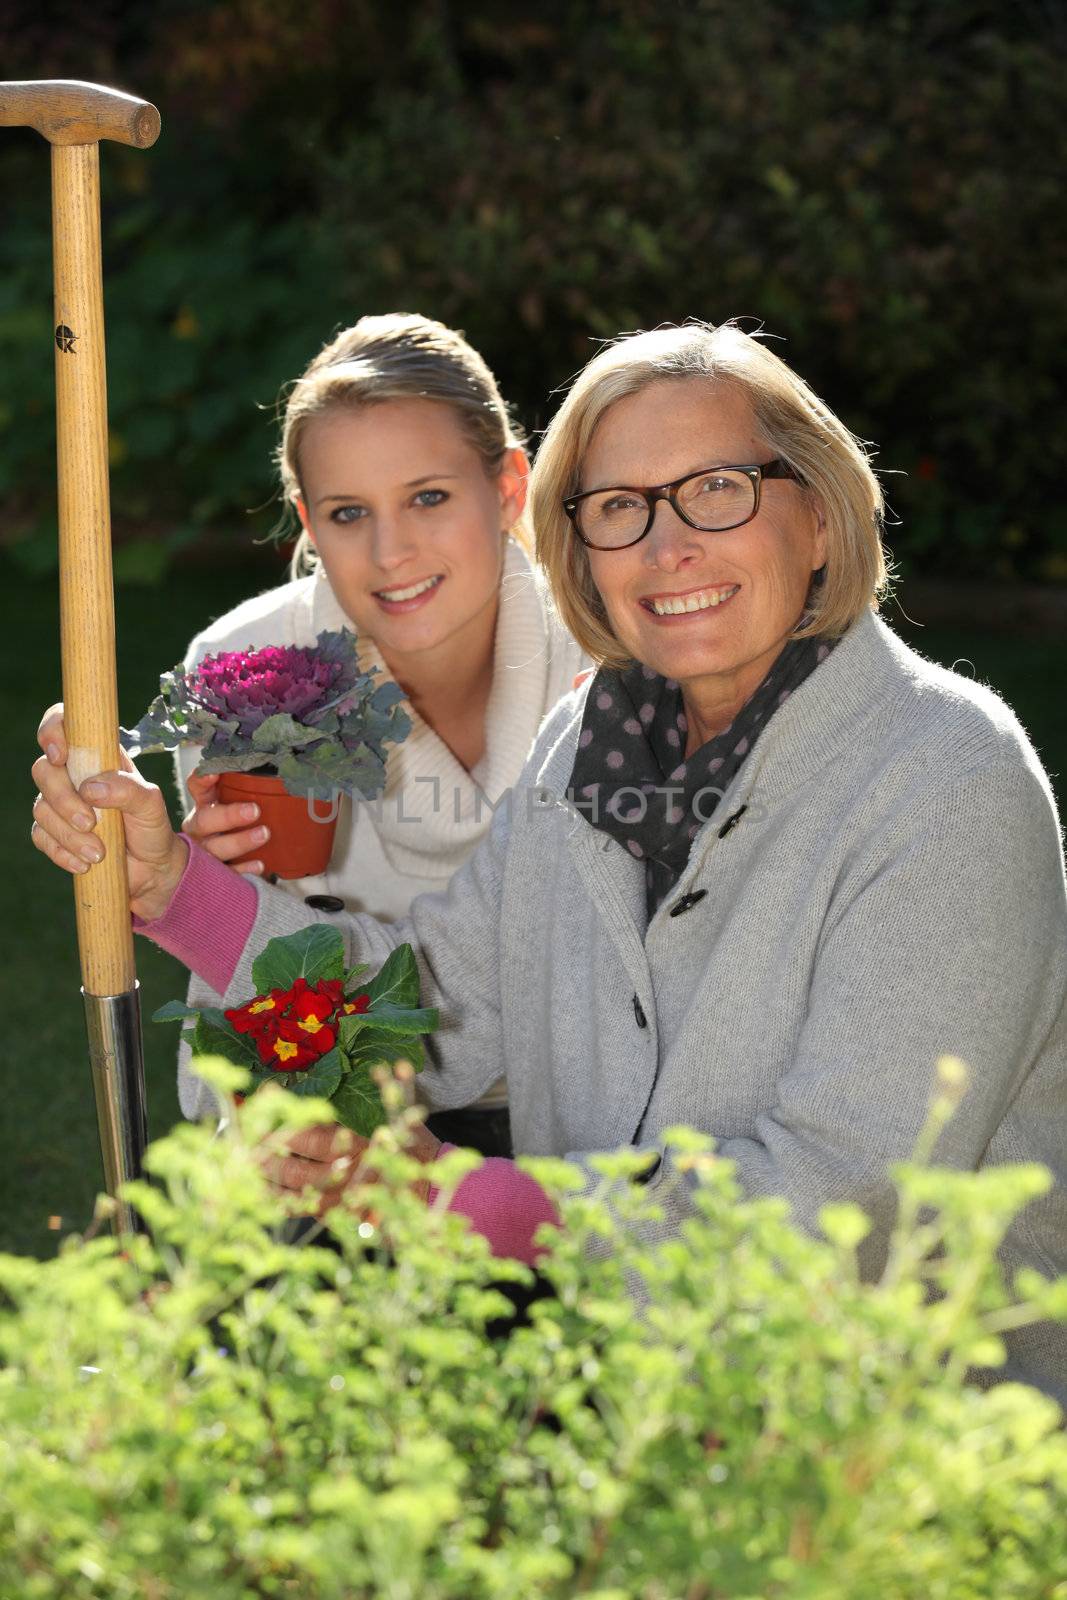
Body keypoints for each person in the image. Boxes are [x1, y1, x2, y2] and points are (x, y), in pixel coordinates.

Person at [31, 321, 1067, 1401]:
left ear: (816, 512)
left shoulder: (943, 775)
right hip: (618, 1395)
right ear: (575, 545)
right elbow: (422, 1002)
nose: (668, 549)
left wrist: (461, 1203)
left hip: (897, 1433)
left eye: (716, 490)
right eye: (619, 508)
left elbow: (841, 1206)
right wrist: (169, 885)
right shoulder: (589, 747)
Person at [61, 313, 588, 1153]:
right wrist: (201, 875)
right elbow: (269, 962)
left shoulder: (604, 652)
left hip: (577, 1122)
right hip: (325, 1121)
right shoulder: (245, 668)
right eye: (348, 513)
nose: (391, 551)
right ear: (306, 521)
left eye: (428, 497)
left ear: (509, 489)